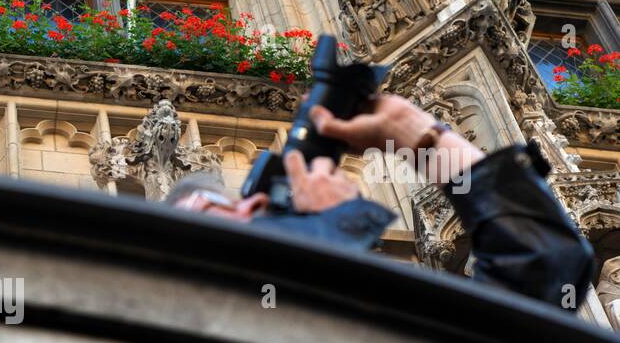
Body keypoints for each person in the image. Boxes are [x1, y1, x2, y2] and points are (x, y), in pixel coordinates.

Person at [170, 94, 596, 306]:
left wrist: (421, 136)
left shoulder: (404, 339)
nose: (254, 204)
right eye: (215, 212)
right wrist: (323, 232)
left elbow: (545, 267)